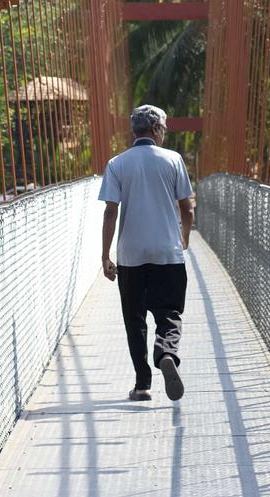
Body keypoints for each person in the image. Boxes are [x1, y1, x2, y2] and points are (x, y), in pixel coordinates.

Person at [99, 104, 195, 402]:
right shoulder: (173, 159)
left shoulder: (117, 163)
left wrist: (105, 255)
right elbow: (188, 206)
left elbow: (110, 212)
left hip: (131, 255)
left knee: (135, 319)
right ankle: (166, 351)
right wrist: (185, 237)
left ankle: (142, 385)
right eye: (164, 129)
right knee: (169, 313)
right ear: (155, 129)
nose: (164, 134)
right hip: (168, 251)